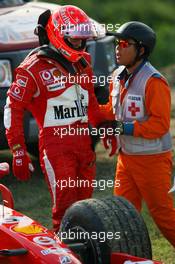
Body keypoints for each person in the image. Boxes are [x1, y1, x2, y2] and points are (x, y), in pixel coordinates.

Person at [3, 5, 107, 232]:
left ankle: (86, 253)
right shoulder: (32, 68)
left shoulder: (83, 63)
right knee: (65, 207)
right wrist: (18, 149)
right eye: (75, 39)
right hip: (56, 147)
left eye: (83, 39)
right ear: (60, 35)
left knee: (85, 207)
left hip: (84, 143)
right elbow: (12, 107)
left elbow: (90, 103)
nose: (80, 43)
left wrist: (106, 127)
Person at [100, 21, 175, 247]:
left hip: (152, 161)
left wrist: (124, 128)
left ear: (141, 50)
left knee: (162, 214)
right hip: (126, 159)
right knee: (123, 214)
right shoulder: (116, 76)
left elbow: (160, 125)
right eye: (116, 43)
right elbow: (111, 111)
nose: (117, 48)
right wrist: (88, 107)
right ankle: (131, 257)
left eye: (124, 43)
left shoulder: (155, 82)